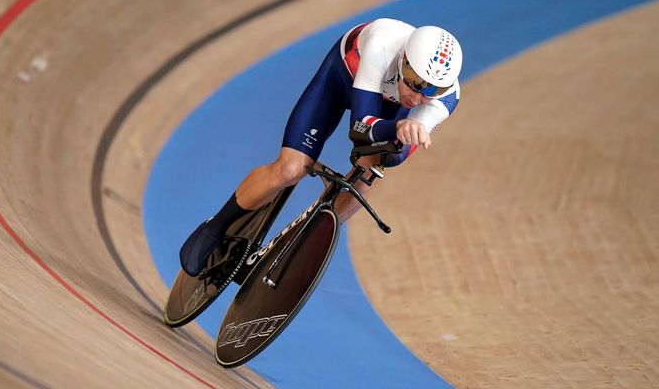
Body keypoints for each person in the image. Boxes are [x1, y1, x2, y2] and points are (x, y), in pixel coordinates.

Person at [180, 18, 463, 276]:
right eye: (414, 84)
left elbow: (394, 156)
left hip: (387, 109)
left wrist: (402, 134)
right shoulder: (383, 44)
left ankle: (299, 247)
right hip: (341, 78)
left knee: (366, 179)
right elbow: (361, 128)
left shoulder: (446, 97)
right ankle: (216, 226)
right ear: (403, 61)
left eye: (431, 91)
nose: (418, 98)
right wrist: (398, 127)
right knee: (291, 169)